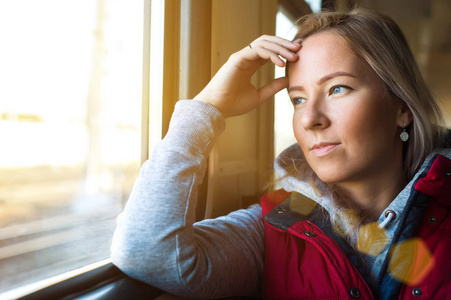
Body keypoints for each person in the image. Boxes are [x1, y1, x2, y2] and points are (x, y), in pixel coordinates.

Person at [111, 9, 451, 300]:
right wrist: (207, 109)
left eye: (337, 88)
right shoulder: (276, 224)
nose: (309, 118)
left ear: (401, 108)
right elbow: (145, 252)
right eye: (298, 99)